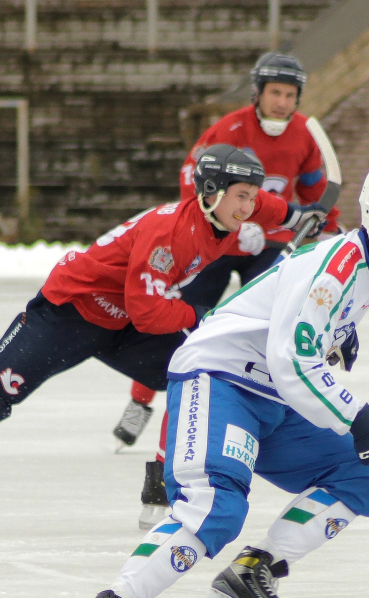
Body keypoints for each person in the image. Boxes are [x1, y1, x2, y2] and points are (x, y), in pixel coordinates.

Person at [52, 163, 369, 598]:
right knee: (216, 505)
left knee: (361, 472)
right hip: (220, 380)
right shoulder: (339, 265)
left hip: (273, 398)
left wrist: (341, 338)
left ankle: (252, 572)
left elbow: (293, 334)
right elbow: (293, 361)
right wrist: (361, 418)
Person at [0, 145, 327, 531]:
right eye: (240, 197)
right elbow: (148, 312)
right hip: (72, 312)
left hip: (122, 323)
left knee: (194, 367)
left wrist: (305, 217)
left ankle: (160, 491)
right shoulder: (170, 234)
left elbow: (278, 209)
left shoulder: (234, 208)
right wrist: (207, 314)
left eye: (251, 198)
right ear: (210, 192)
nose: (248, 208)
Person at [112, 52, 343, 529]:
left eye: (290, 95)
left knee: (260, 323)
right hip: (218, 240)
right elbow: (191, 183)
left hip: (267, 243)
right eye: (275, 93)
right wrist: (230, 231)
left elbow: (316, 191)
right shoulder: (228, 131)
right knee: (181, 326)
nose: (282, 103)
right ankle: (141, 401)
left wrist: (328, 235)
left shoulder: (302, 136)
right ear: (257, 93)